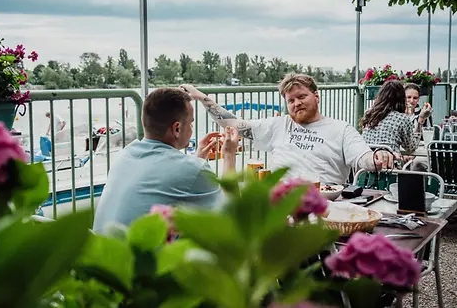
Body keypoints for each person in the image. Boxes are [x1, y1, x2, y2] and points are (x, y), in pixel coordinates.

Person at [181, 73, 394, 185]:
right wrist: (201, 97)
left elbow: (362, 157)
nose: (296, 103)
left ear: (316, 97)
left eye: (302, 97)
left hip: (322, 203)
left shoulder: (341, 129)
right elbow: (234, 125)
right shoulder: (278, 124)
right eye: (290, 100)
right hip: (278, 202)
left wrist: (377, 158)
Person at [93, 88, 239, 234]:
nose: (191, 129)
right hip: (140, 256)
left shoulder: (124, 155)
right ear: (177, 128)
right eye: (190, 123)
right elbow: (234, 217)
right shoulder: (193, 169)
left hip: (102, 251)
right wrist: (229, 155)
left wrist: (196, 159)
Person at [361, 81, 420, 160]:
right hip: (390, 167)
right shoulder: (402, 118)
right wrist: (420, 122)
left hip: (367, 165)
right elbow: (411, 147)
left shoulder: (369, 114)